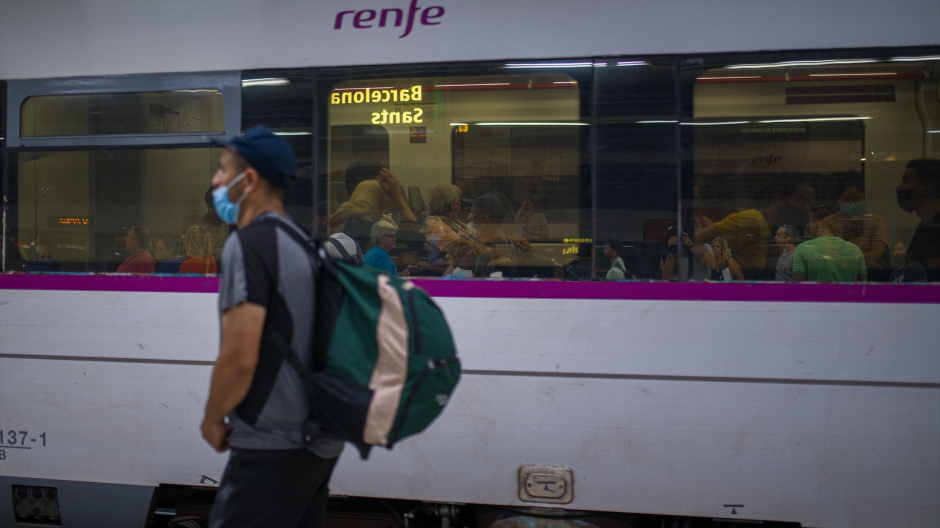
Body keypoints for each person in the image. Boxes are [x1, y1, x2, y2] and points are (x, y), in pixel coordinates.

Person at [201, 125, 343, 528]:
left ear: (249, 180)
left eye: (222, 170)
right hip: (318, 437)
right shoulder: (301, 241)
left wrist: (213, 418)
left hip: (273, 441)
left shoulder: (248, 245)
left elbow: (239, 358)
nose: (215, 181)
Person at [694, 183, 786, 277]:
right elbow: (698, 238)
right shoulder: (753, 220)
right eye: (800, 202)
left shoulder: (765, 225)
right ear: (777, 199)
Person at [818, 178, 888, 270]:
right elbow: (827, 256)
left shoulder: (876, 221)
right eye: (847, 200)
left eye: (858, 199)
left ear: (864, 197)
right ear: (838, 199)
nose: (853, 204)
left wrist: (841, 260)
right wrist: (843, 238)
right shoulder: (826, 223)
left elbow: (877, 254)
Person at [328, 161, 416, 234]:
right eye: (382, 184)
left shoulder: (384, 220)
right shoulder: (343, 225)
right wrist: (397, 198)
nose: (387, 190)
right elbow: (413, 239)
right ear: (363, 188)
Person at [792, 207, 867, 283]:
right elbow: (863, 285)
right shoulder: (855, 249)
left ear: (816, 222)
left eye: (810, 222)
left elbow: (799, 287)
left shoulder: (803, 248)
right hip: (848, 294)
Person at [896, 158, 940, 281]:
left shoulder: (935, 224)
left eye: (906, 181)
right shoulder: (925, 224)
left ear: (925, 189)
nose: (900, 188)